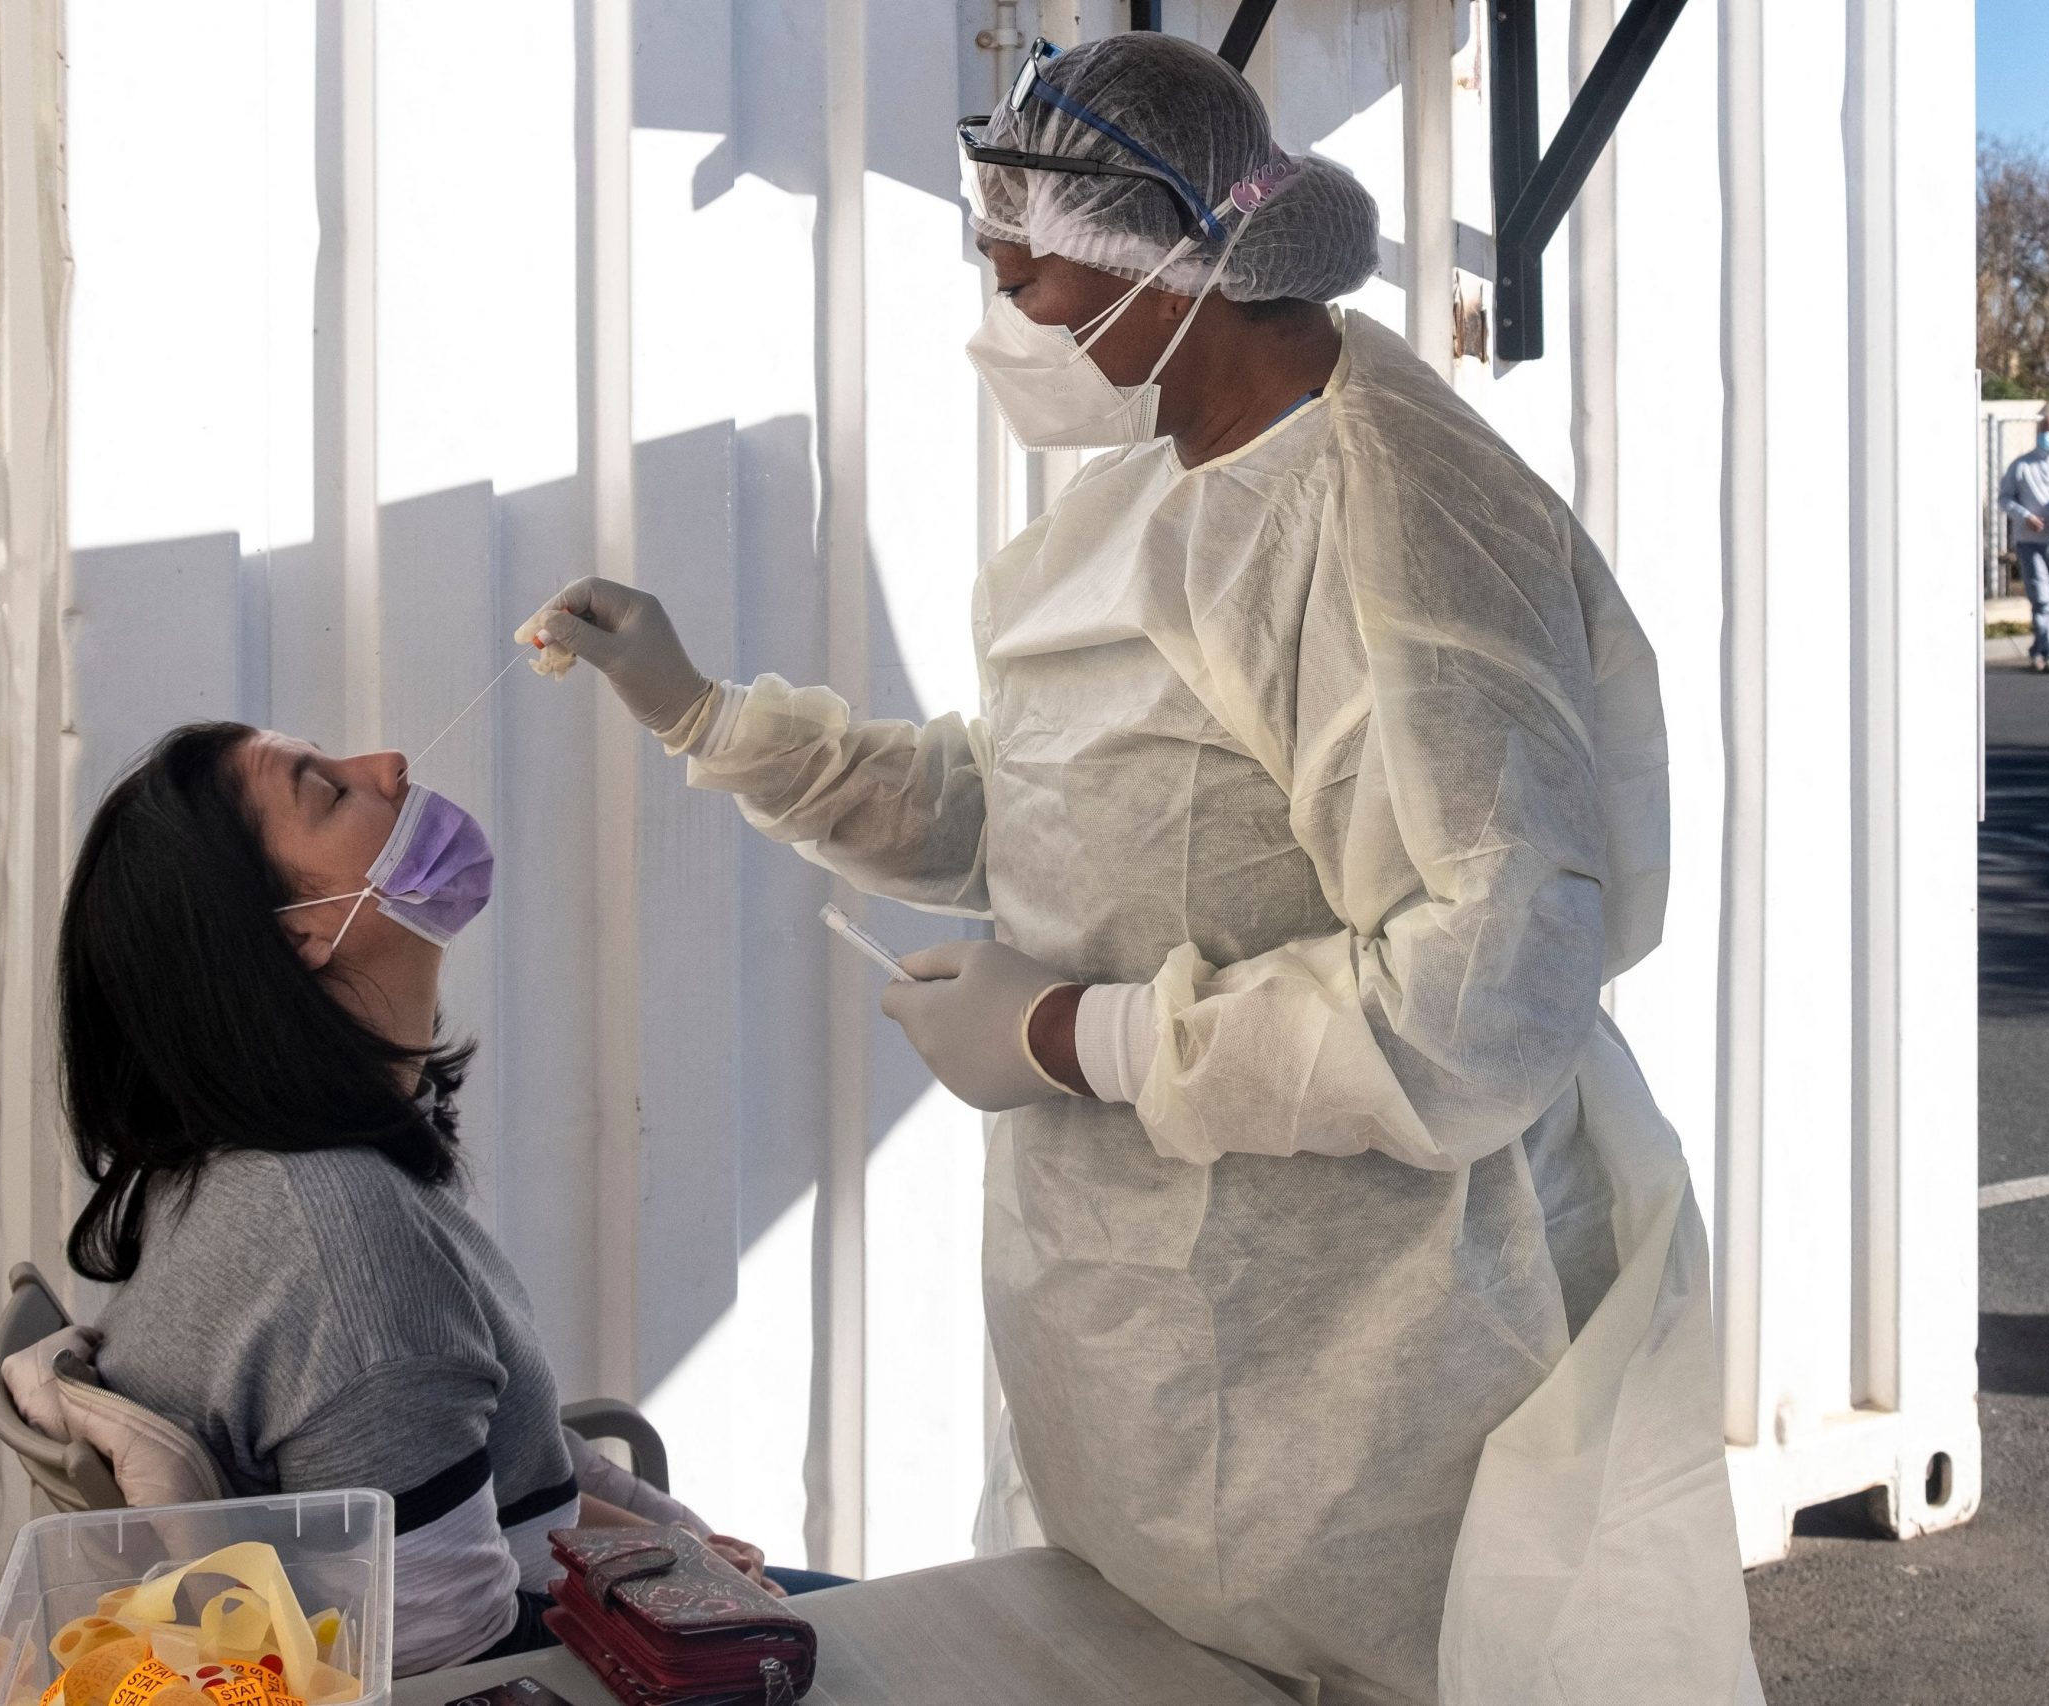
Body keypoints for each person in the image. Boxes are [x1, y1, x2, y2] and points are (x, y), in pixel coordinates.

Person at [521, 32, 1758, 1706]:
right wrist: (710, 716)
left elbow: (1481, 1004)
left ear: (1176, 265)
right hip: (1155, 1366)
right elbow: (1014, 800)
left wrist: (1072, 1039)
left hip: (1364, 1391)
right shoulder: (1149, 495)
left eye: (1032, 278)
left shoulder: (1401, 527)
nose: (1005, 320)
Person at [57, 724, 837, 1679]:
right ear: (297, 934)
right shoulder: (348, 1252)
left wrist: (674, 1547)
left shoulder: (249, 1163)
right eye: (328, 792)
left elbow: (513, 1480)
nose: (388, 767)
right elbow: (452, 1671)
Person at [2000, 407, 2049, 672]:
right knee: (2041, 597)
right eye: (2043, 431)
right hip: (2029, 542)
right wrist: (2025, 515)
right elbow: (2005, 498)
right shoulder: (2021, 465)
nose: (2047, 436)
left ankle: (2037, 650)